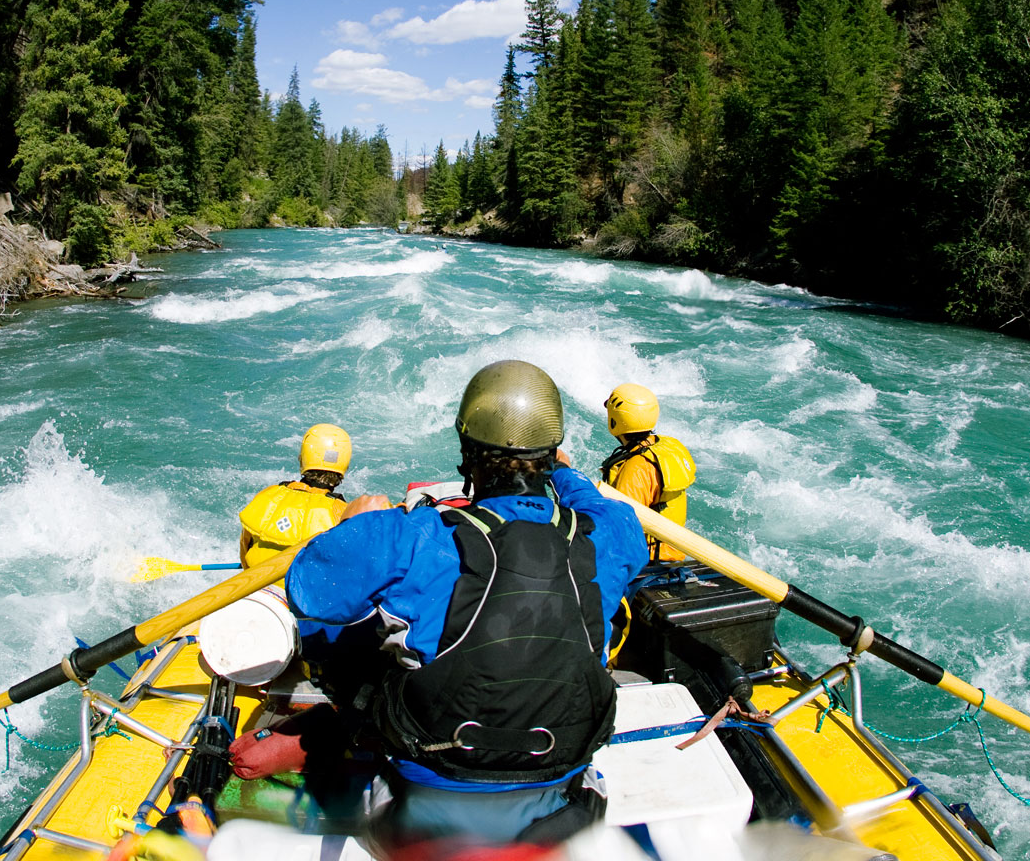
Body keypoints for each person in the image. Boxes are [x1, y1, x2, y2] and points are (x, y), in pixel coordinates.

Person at [281, 360, 649, 845]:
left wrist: (351, 524)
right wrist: (561, 470)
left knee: (323, 630)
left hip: (426, 783)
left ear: (466, 451)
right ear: (552, 452)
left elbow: (305, 589)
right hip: (561, 779)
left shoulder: (409, 536)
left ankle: (359, 736)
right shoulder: (615, 534)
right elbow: (601, 507)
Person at [600, 383, 697, 561]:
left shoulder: (636, 468)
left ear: (615, 420)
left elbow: (622, 526)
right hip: (672, 553)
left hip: (646, 560)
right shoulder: (666, 446)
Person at [238, 423, 351, 570]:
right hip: (302, 591)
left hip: (253, 585)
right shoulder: (343, 513)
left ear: (302, 458)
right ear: (345, 464)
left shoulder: (268, 495)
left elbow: (244, 547)